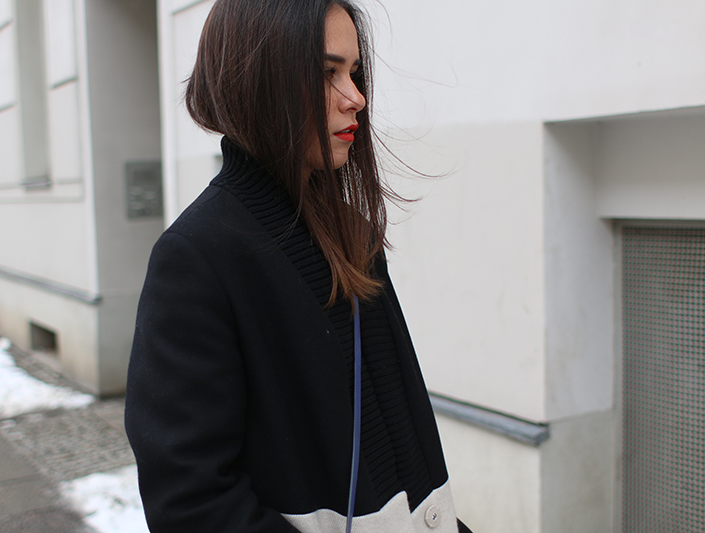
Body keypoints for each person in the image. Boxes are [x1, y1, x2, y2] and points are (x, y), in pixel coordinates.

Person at [125, 0, 472, 531]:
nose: (355, 97)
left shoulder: (350, 228)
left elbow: (400, 434)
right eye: (326, 73)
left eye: (354, 73)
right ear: (258, 79)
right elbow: (191, 502)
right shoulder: (197, 256)